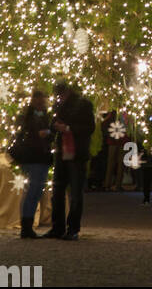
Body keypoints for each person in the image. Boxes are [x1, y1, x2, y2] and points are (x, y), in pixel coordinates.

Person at [44, 80, 95, 241]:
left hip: (76, 152)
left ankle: (72, 228)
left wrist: (68, 128)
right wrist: (55, 127)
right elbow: (52, 124)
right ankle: (57, 227)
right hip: (61, 151)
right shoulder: (59, 105)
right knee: (58, 191)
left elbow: (89, 128)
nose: (59, 97)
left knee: (74, 193)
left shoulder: (83, 105)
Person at [13, 89, 52, 239]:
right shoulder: (28, 116)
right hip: (32, 156)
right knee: (32, 191)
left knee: (35, 191)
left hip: (40, 156)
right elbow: (23, 132)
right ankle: (26, 226)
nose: (42, 103)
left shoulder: (43, 116)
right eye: (40, 100)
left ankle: (27, 225)